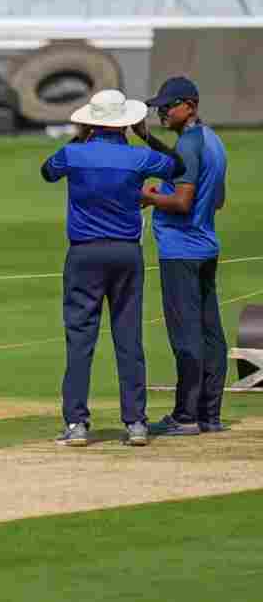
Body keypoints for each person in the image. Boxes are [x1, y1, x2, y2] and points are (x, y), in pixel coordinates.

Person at [41, 89, 186, 447]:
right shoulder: (139, 158)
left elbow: (47, 172)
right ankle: (136, 422)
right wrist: (145, 134)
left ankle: (76, 424)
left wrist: (79, 137)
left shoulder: (73, 154)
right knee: (128, 339)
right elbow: (178, 165)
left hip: (84, 254)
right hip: (126, 253)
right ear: (125, 122)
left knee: (80, 340)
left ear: (91, 121)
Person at [134, 77, 230, 435]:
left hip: (180, 249)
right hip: (205, 245)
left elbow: (182, 201)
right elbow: (216, 199)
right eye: (160, 105)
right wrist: (144, 137)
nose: (162, 111)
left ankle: (186, 417)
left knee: (185, 334)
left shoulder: (189, 145)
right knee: (210, 333)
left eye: (168, 105)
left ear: (190, 105)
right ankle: (209, 414)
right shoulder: (211, 140)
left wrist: (150, 198)